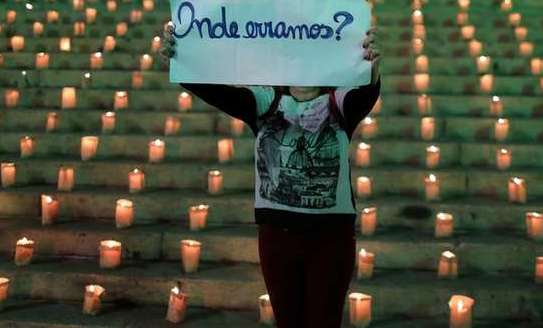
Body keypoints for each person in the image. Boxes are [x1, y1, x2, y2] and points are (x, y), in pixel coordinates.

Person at [161, 21, 381, 328]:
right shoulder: (266, 102)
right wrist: (180, 56)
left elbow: (367, 92)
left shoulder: (339, 103)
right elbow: (215, 92)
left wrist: (370, 67)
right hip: (278, 239)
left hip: (332, 240)